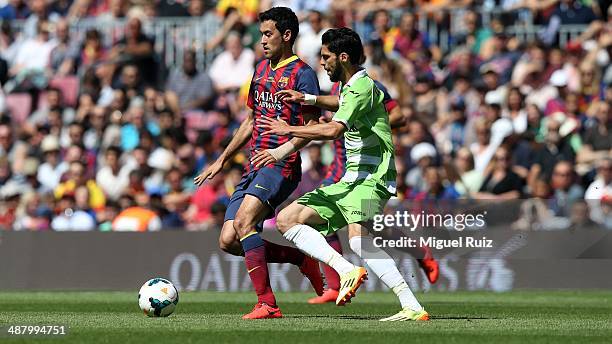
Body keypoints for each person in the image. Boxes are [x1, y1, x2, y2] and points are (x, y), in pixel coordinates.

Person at [262, 27, 429, 321]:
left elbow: (333, 129)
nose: (322, 63)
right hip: (352, 180)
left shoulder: (361, 86)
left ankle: (412, 305)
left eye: (326, 57)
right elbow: (341, 103)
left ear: (343, 57)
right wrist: (307, 98)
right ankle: (347, 270)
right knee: (288, 220)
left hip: (374, 179)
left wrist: (289, 129)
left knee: (358, 239)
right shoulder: (350, 85)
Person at [194, 7, 324, 320]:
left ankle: (267, 303)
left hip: (282, 164)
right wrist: (222, 160)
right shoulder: (262, 69)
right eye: (262, 34)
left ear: (287, 36)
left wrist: (282, 152)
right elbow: (251, 120)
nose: (262, 40)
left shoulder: (302, 74)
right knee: (228, 241)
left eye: (268, 34)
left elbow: (312, 128)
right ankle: (299, 258)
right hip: (254, 164)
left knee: (243, 224)